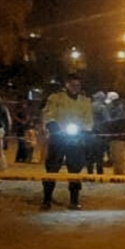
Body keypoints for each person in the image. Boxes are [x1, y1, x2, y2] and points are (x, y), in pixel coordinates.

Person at [41, 74, 93, 210]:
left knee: (75, 170)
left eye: (78, 85)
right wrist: (53, 126)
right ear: (66, 85)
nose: (75, 88)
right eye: (73, 85)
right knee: (52, 168)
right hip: (58, 137)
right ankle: (46, 199)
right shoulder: (55, 98)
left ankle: (74, 200)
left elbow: (88, 120)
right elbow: (49, 115)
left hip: (76, 139)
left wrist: (85, 131)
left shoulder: (85, 101)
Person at [104, 91, 125, 175]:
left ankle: (119, 174)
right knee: (114, 155)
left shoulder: (120, 109)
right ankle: (117, 172)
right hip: (114, 135)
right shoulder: (117, 108)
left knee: (118, 155)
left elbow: (117, 122)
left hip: (118, 135)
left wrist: (108, 127)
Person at [86, 91, 108, 174]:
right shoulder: (103, 108)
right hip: (100, 134)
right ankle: (99, 173)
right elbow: (107, 120)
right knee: (99, 155)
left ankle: (90, 172)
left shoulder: (88, 106)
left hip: (89, 133)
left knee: (89, 155)